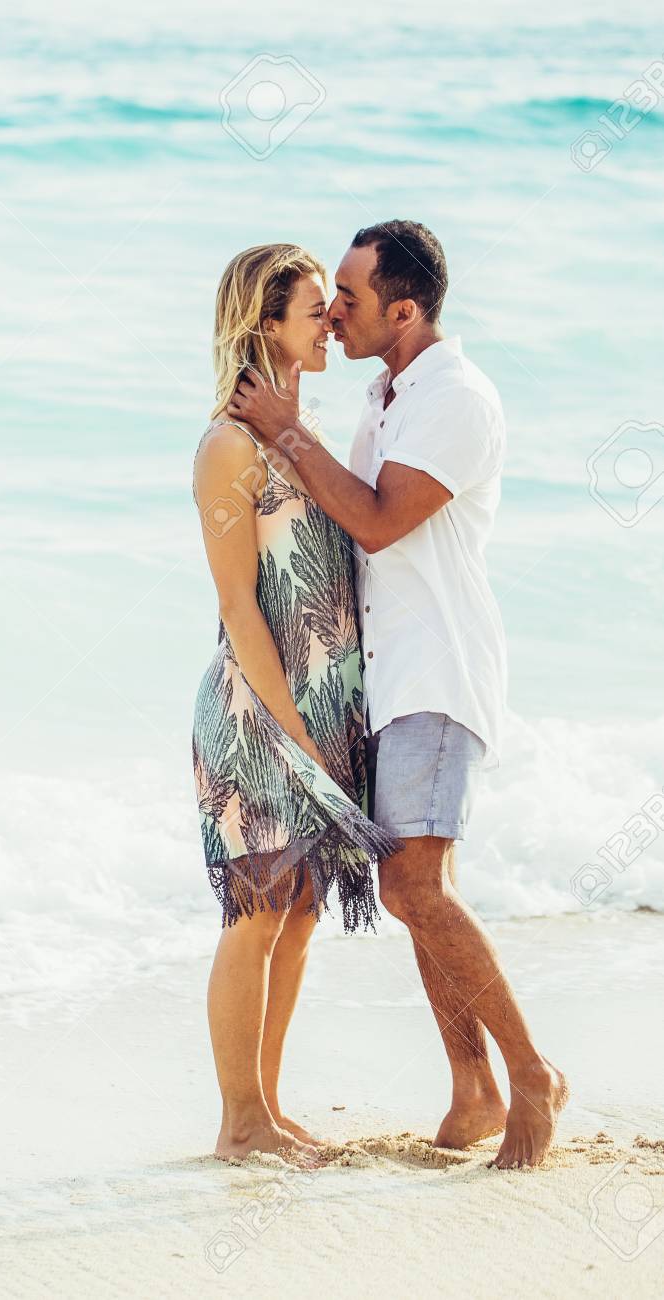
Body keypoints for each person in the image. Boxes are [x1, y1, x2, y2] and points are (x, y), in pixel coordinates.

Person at [227, 220, 568, 1170]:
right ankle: (474, 1089)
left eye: (350, 296)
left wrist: (286, 430)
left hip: (437, 672)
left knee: (413, 885)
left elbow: (378, 524)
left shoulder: (455, 399)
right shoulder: (387, 395)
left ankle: (532, 1074)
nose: (335, 311)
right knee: (418, 889)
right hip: (388, 680)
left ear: (405, 309)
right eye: (329, 296)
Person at [192, 244, 396, 1164]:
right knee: (258, 910)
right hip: (256, 715)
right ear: (264, 323)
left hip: (320, 711)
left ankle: (267, 1111)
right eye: (316, 309)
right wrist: (294, 729)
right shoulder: (230, 447)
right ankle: (240, 1123)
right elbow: (239, 607)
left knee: (302, 911)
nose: (331, 321)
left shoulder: (300, 439)